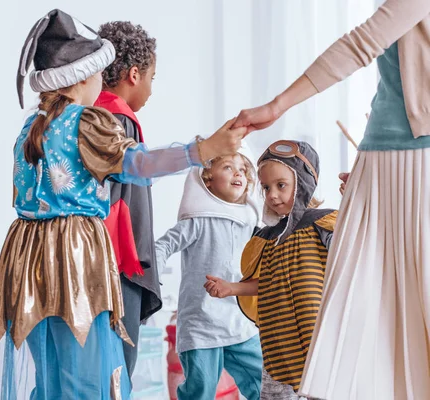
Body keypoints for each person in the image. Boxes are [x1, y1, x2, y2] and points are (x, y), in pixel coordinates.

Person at [0, 9, 247, 399]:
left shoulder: (31, 126)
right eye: (98, 74)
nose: (102, 82)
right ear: (81, 78)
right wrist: (202, 150)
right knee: (88, 372)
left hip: (31, 257)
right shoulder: (86, 122)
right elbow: (139, 165)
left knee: (53, 372)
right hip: (75, 256)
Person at [230, 1, 430, 398]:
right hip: (378, 160)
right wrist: (365, 160)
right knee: (363, 300)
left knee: (415, 295)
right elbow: (391, 87)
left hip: (416, 159)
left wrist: (277, 105)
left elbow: (362, 43)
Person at [205, 140, 337, 400]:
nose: (272, 194)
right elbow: (265, 281)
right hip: (278, 340)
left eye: (281, 185)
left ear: (304, 183)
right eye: (266, 187)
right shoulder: (267, 239)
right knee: (275, 394)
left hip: (318, 339)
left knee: (323, 391)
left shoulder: (322, 225)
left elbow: (351, 258)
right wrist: (231, 288)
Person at [155, 147, 263, 400]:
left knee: (262, 383)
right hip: (201, 325)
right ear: (208, 180)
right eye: (228, 167)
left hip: (240, 322)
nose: (238, 172)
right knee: (200, 390)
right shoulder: (197, 221)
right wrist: (152, 273)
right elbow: (163, 245)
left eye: (243, 169)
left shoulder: (251, 222)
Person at [93, 21, 161, 378]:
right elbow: (124, 204)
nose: (151, 88)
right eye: (151, 77)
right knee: (117, 369)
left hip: (94, 261)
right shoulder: (119, 121)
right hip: (119, 264)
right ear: (134, 74)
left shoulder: (88, 114)